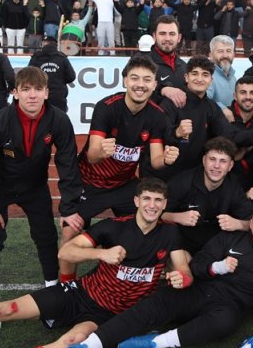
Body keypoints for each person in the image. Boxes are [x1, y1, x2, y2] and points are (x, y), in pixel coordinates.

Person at [0, 178, 192, 348]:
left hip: (109, 315)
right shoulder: (113, 227)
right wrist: (101, 254)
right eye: (147, 199)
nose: (152, 205)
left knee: (69, 342)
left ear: (165, 205)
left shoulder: (169, 234)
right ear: (137, 201)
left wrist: (181, 278)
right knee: (2, 310)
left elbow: (184, 271)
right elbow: (66, 252)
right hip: (79, 294)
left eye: (158, 201)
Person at [51, 205, 253, 348]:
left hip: (226, 306)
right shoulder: (229, 238)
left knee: (226, 322)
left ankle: (157, 342)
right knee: (155, 303)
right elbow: (198, 264)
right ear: (251, 223)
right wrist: (218, 267)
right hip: (197, 290)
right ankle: (91, 344)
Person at [0, 67, 85, 331]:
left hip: (34, 186)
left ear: (47, 92)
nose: (33, 95)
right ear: (15, 92)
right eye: (26, 89)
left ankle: (52, 294)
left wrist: (69, 207)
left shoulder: (59, 120)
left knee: (45, 236)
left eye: (38, 89)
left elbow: (68, 165)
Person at [63, 55, 180, 280]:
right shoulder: (106, 107)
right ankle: (66, 285)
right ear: (125, 80)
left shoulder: (157, 115)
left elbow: (156, 161)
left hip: (124, 185)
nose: (140, 84)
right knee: (69, 231)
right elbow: (92, 156)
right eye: (135, 78)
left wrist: (167, 159)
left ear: (154, 85)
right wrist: (101, 152)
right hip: (90, 183)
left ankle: (155, 275)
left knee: (150, 222)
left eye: (147, 80)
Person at [27, 36, 77, 112]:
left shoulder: (36, 58)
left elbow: (28, 76)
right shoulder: (62, 58)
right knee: (59, 118)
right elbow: (71, 77)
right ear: (56, 45)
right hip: (58, 97)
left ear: (44, 44)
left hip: (40, 96)